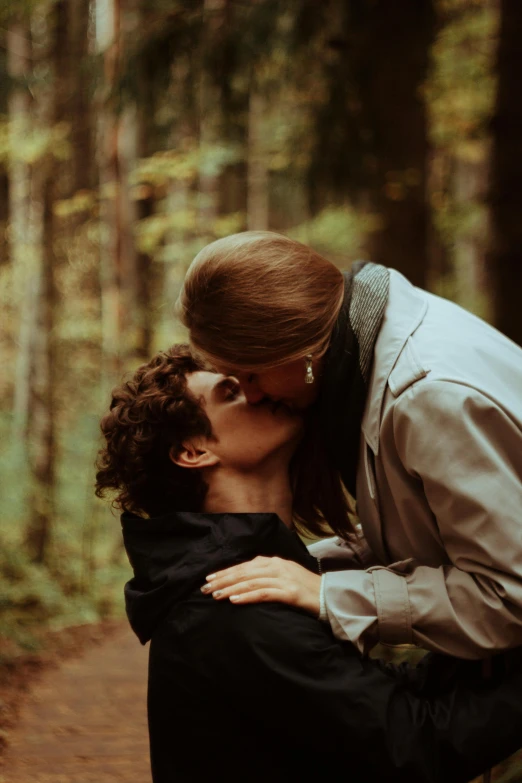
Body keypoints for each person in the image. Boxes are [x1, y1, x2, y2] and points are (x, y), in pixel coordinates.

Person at [95, 345, 522, 783]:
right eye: (230, 392)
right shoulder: (233, 602)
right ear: (192, 452)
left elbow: (374, 696)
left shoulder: (254, 573)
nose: (256, 392)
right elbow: (416, 744)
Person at [177, 230, 522, 660]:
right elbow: (429, 530)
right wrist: (292, 567)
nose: (253, 396)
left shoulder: (426, 397)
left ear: (296, 348)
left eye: (251, 374)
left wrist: (330, 594)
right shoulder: (373, 341)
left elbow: (509, 597)